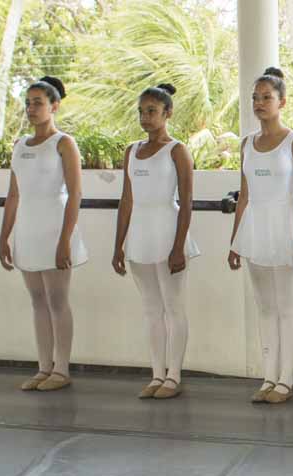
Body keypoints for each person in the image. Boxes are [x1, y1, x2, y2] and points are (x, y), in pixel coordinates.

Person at [229, 67, 293, 405]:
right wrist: (236, 241)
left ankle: (285, 380)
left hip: (285, 227)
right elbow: (244, 195)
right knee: (265, 307)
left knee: (286, 307)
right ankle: (269, 377)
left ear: (282, 102)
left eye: (267, 97)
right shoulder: (247, 144)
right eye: (255, 97)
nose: (260, 103)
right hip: (255, 229)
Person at [0, 75, 88, 392]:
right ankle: (43, 366)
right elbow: (13, 194)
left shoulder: (63, 143)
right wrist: (4, 237)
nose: (31, 109)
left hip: (54, 226)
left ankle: (61, 369)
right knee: (37, 300)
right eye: (28, 103)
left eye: (38, 103)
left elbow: (75, 194)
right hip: (28, 228)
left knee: (57, 299)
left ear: (54, 106)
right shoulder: (20, 145)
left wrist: (65, 240)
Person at [112, 83, 199, 400]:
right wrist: (118, 245)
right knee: (151, 309)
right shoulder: (131, 151)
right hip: (140, 235)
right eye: (141, 112)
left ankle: (173, 375)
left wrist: (178, 247)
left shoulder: (177, 150)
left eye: (152, 111)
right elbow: (126, 200)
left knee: (173, 306)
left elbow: (186, 202)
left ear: (167, 113)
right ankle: (157, 373)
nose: (145, 117)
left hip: (167, 230)